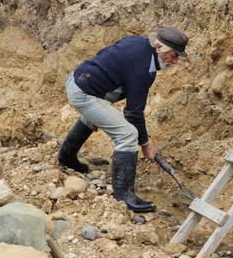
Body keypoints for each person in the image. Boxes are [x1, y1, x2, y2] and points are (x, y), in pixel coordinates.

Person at [57, 26, 189, 213]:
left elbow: (103, 54)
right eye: (174, 55)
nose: (175, 61)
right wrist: (145, 144)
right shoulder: (144, 68)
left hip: (78, 79)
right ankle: (124, 195)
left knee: (98, 113)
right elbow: (133, 112)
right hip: (84, 93)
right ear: (159, 48)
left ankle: (66, 156)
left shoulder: (137, 42)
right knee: (128, 134)